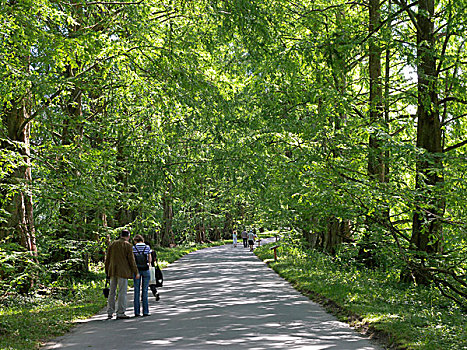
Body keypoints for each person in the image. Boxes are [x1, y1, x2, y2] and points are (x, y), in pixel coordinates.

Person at [105, 229, 139, 320]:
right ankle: (120, 312)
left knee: (112, 292)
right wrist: (136, 272)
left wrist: (106, 271)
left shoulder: (112, 244)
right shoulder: (127, 245)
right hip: (123, 272)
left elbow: (107, 259)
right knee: (122, 292)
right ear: (128, 236)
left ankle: (110, 312)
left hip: (112, 271)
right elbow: (131, 260)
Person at [133, 234, 152, 317]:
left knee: (136, 291)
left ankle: (137, 312)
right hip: (145, 269)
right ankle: (145, 311)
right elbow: (150, 258)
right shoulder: (147, 247)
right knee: (145, 291)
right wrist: (149, 265)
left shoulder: (133, 248)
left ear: (135, 241)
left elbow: (132, 260)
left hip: (137, 270)